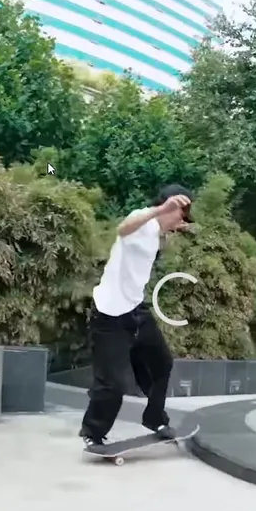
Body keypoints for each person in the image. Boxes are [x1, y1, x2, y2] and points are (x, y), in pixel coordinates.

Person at [79, 185, 193, 447]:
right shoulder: (141, 220)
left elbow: (156, 235)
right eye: (182, 215)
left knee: (162, 363)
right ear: (171, 207)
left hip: (135, 311)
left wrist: (171, 227)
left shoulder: (156, 233)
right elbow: (123, 229)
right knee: (112, 384)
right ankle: (93, 433)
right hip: (109, 315)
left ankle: (155, 418)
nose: (181, 222)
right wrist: (161, 210)